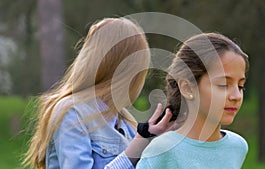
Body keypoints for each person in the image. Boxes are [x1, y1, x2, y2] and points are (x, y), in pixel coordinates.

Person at [23, 17, 175, 169]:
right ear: (127, 72)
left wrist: (156, 143)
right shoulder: (73, 113)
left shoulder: (125, 123)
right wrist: (137, 146)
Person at [136, 32, 250, 169]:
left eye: (240, 86)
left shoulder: (237, 147)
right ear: (187, 88)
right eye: (223, 85)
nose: (236, 96)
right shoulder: (162, 151)